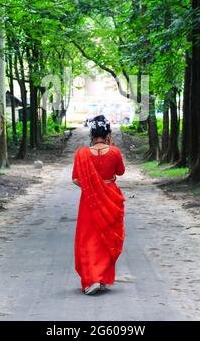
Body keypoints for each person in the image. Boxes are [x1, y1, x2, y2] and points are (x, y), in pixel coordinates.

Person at [72, 115, 126, 295]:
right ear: (108, 133)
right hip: (111, 197)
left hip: (89, 200)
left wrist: (92, 187)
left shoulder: (81, 154)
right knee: (107, 238)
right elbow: (120, 171)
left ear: (92, 134)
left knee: (88, 239)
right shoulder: (115, 152)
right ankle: (101, 277)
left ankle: (91, 279)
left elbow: (75, 179)